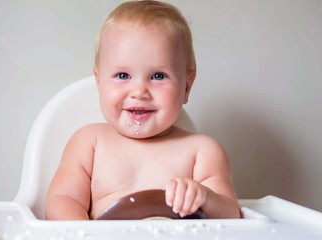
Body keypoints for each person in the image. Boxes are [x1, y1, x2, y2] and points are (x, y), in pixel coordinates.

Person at [46, 0, 240, 220]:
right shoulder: (89, 143)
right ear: (99, 82)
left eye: (158, 76)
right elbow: (61, 201)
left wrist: (204, 198)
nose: (139, 91)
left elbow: (231, 214)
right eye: (123, 76)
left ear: (186, 87)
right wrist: (85, 233)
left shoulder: (202, 152)